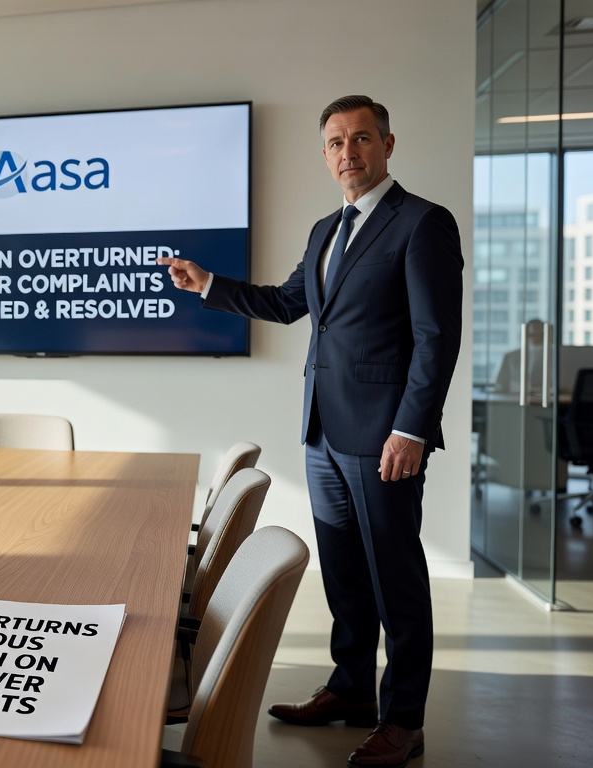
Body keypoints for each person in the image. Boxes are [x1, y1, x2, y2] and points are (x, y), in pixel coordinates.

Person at [158, 95, 462, 768]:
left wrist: (412, 428)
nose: (347, 152)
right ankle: (351, 688)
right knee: (345, 575)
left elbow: (435, 339)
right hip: (323, 432)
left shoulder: (422, 223)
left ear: (387, 144)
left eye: (360, 139)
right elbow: (289, 303)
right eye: (334, 142)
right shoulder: (327, 229)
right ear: (324, 154)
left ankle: (402, 720)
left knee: (396, 579)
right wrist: (208, 284)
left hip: (385, 435)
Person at [493, 318, 545, 394]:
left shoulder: (557, 357)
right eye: (532, 335)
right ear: (525, 336)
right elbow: (501, 384)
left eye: (541, 335)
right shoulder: (510, 356)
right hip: (516, 399)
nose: (536, 338)